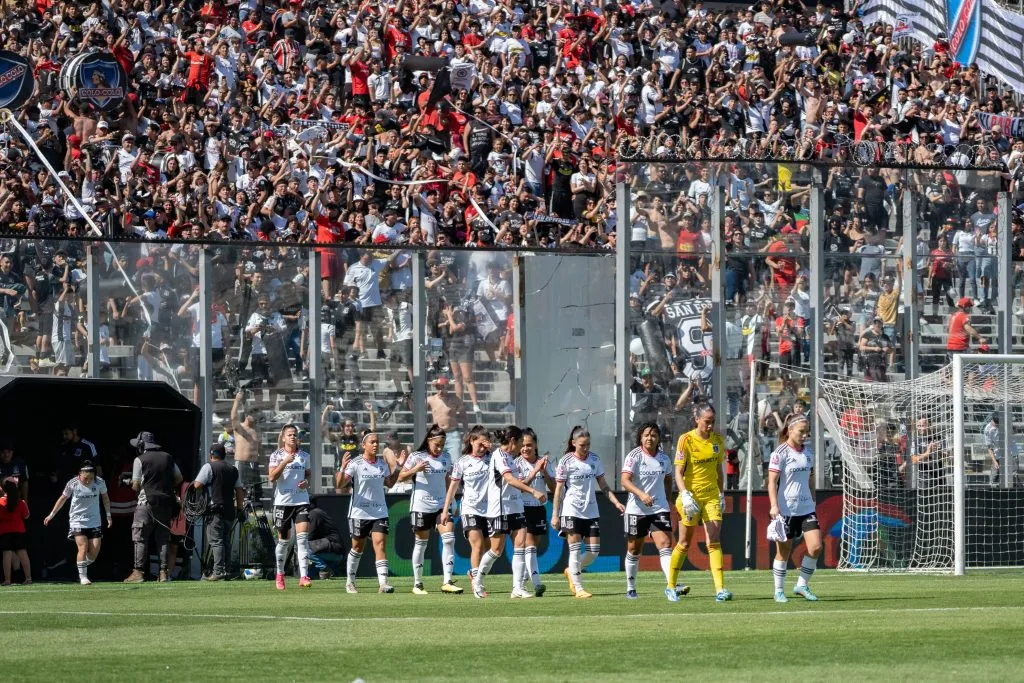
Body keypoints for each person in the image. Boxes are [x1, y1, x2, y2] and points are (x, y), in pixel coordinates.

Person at [552, 426, 625, 599]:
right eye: (582, 445)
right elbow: (558, 490)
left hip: (591, 510)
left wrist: (616, 502)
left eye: (588, 445)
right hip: (571, 510)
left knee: (594, 551)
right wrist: (555, 514)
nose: (586, 448)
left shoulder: (594, 460)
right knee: (575, 549)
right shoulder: (566, 461)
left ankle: (571, 570)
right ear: (574, 443)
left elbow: (604, 485)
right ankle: (578, 588)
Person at [476, 426, 548, 599]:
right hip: (500, 509)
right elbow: (508, 479)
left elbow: (519, 483)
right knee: (496, 550)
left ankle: (518, 588)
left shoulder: (509, 458)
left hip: (516, 507)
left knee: (521, 545)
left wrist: (535, 470)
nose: (521, 447)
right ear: (513, 441)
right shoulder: (499, 456)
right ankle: (477, 581)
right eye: (520, 442)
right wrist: (534, 492)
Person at [670, 404, 732, 602]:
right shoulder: (686, 439)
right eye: (707, 421)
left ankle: (720, 589)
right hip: (691, 497)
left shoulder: (717, 440)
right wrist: (685, 494)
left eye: (713, 421)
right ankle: (670, 586)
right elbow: (678, 472)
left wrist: (721, 494)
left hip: (711, 496)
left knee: (714, 540)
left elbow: (719, 471)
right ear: (697, 419)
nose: (710, 425)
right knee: (685, 542)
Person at [397, 424, 463, 595]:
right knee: (421, 543)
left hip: (441, 506)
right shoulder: (416, 456)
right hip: (421, 506)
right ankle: (417, 584)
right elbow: (401, 477)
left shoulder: (446, 457)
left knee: (449, 539)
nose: (439, 448)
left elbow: (449, 479)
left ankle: (447, 581)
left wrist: (452, 502)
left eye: (442, 444)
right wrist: (415, 469)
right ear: (429, 441)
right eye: (437, 444)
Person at [338, 430, 406, 594]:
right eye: (372, 442)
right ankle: (350, 582)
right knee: (357, 548)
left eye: (377, 442)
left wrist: (397, 467)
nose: (376, 445)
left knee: (380, 545)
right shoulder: (355, 464)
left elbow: (389, 484)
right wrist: (342, 467)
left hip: (379, 511)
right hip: (359, 513)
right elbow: (340, 484)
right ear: (364, 445)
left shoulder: (382, 464)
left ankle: (383, 584)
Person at [767, 415, 822, 602]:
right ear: (790, 430)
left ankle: (801, 585)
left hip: (806, 508)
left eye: (807, 432)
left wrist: (813, 499)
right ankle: (778, 591)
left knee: (815, 547)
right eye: (801, 431)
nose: (805, 435)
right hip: (786, 510)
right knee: (783, 552)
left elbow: (811, 477)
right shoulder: (780, 453)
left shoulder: (808, 452)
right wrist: (774, 506)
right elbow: (772, 482)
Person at [621, 422, 675, 601]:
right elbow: (625, 481)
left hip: (658, 507)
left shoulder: (664, 459)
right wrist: (641, 494)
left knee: (665, 544)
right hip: (636, 509)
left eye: (653, 435)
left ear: (659, 438)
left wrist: (667, 500)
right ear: (640, 438)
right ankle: (631, 587)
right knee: (634, 549)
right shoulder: (634, 456)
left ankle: (671, 586)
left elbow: (668, 479)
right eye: (646, 435)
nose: (649, 438)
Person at [125, 432, 183, 584]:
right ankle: (163, 573)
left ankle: (138, 573)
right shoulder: (168, 457)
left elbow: (136, 485)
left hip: (146, 504)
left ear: (141, 445)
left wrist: (129, 483)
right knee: (163, 539)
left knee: (140, 537)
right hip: (165, 504)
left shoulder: (139, 459)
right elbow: (179, 478)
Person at [441, 427, 492, 595]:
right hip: (470, 508)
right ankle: (477, 585)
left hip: (491, 510)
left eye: (486, 444)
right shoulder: (462, 462)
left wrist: (493, 450)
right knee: (477, 545)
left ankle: (474, 573)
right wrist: (445, 509)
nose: (483, 447)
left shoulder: (493, 459)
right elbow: (452, 488)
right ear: (471, 441)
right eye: (480, 443)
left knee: (489, 549)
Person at [44, 461, 111, 586]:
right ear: (79, 474)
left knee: (94, 552)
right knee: (83, 547)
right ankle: (83, 577)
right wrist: (51, 515)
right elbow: (62, 499)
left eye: (91, 478)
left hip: (94, 520)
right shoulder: (72, 483)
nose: (88, 481)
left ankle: (80, 564)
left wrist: (108, 515)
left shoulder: (100, 482)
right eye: (86, 478)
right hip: (77, 520)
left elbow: (105, 498)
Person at [268, 424, 313, 590]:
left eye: (294, 434)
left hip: (301, 501)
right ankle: (280, 574)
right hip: (283, 502)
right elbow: (272, 477)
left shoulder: (304, 456)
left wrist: (306, 483)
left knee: (302, 540)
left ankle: (304, 576)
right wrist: (285, 462)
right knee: (284, 541)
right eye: (289, 434)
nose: (293, 437)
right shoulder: (276, 455)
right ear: (283, 437)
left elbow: (308, 475)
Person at [192, 444, 244, 581]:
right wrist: (240, 509)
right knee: (226, 540)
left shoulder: (208, 467)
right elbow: (239, 490)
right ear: (224, 455)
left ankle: (218, 571)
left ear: (211, 455)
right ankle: (227, 570)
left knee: (216, 541)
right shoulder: (233, 469)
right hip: (229, 510)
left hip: (214, 510)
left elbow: (197, 485)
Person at [513, 428, 554, 596]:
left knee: (532, 548)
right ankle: (537, 583)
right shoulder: (516, 464)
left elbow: (553, 487)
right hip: (522, 508)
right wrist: (535, 470)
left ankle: (520, 585)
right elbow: (521, 488)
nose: (525, 448)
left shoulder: (545, 463)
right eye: (522, 445)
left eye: (529, 445)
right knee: (528, 545)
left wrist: (544, 471)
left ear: (536, 445)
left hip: (538, 508)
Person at [230, 391, 263, 502]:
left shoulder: (256, 430)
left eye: (256, 413)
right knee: (240, 490)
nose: (255, 415)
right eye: (252, 413)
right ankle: (240, 512)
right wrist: (237, 400)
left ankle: (252, 513)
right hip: (242, 464)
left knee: (255, 493)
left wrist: (266, 462)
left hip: (254, 464)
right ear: (247, 415)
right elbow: (234, 418)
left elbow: (260, 447)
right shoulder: (240, 428)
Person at [0, 480, 31, 585]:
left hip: (5, 531)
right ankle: (28, 578)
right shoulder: (21, 502)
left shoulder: (0, 501)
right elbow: (26, 516)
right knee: (23, 553)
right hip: (19, 530)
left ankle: (7, 580)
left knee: (7, 555)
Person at [306, 499, 345, 580]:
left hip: (333, 549)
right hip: (330, 551)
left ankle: (326, 569)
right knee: (309, 575)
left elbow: (309, 536)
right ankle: (326, 571)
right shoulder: (317, 512)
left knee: (304, 547)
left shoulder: (314, 513)